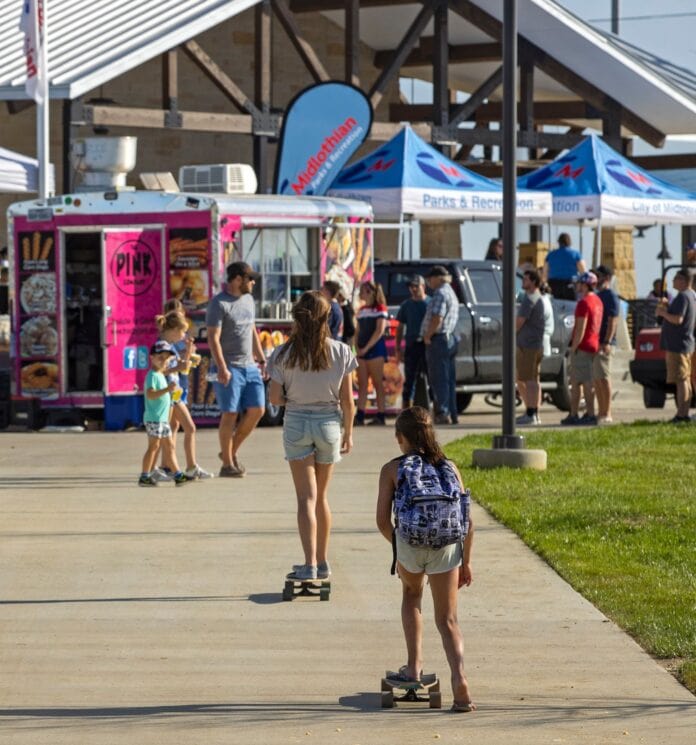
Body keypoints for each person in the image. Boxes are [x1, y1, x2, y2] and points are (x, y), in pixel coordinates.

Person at [376, 406, 475, 713]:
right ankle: (460, 680)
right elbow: (467, 521)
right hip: (447, 546)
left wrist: (401, 544)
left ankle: (414, 668)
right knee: (448, 620)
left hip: (410, 544)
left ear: (400, 438)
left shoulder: (392, 469)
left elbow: (382, 520)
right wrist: (466, 561)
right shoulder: (450, 467)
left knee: (411, 594)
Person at [267, 291, 356, 581]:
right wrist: (349, 433)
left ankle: (309, 565)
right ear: (326, 317)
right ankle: (323, 560)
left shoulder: (282, 353)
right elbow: (348, 401)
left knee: (305, 498)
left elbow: (276, 399)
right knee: (322, 498)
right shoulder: (341, 351)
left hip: (296, 422)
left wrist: (296, 394)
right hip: (330, 424)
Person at [206, 261, 267, 477]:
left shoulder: (249, 300)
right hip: (229, 367)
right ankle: (227, 465)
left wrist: (262, 359)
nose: (253, 283)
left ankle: (229, 452)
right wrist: (222, 368)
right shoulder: (219, 304)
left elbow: (251, 330)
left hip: (250, 366)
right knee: (230, 414)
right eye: (250, 278)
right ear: (237, 279)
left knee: (258, 410)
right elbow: (213, 338)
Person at [154, 309, 213, 480]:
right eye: (181, 331)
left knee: (173, 429)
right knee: (183, 428)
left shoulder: (169, 346)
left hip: (174, 392)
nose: (182, 335)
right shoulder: (161, 346)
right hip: (168, 393)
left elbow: (183, 366)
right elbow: (158, 371)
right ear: (173, 330)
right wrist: (177, 367)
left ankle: (173, 467)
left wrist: (187, 352)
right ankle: (176, 468)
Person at [138, 341, 189, 487]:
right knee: (153, 447)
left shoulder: (160, 374)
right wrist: (167, 390)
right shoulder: (153, 375)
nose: (164, 361)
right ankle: (144, 476)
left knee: (169, 446)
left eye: (167, 358)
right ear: (152, 358)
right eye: (160, 358)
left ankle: (178, 474)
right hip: (154, 419)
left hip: (162, 419)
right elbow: (150, 394)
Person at [561, 271, 603, 426]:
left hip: (583, 346)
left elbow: (580, 328)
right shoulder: (598, 301)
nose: (577, 286)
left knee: (580, 382)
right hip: (594, 345)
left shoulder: (583, 303)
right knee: (587, 381)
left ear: (585, 285)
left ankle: (578, 414)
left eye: (579, 283)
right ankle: (587, 413)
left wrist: (573, 347)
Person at [656, 268, 696, 423]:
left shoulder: (682, 297)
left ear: (684, 281)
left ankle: (682, 414)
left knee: (681, 380)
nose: (672, 281)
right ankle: (684, 412)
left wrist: (663, 313)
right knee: (685, 379)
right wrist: (668, 307)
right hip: (686, 343)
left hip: (678, 345)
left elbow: (678, 319)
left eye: (676, 278)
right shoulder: (691, 296)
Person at [421, 266, 460, 425]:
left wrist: (428, 335)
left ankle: (442, 413)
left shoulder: (440, 293)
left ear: (438, 277)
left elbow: (437, 317)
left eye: (430, 279)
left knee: (439, 379)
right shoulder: (450, 292)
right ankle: (452, 412)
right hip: (449, 338)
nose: (429, 282)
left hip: (438, 339)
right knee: (449, 379)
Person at [355, 280, 389, 426]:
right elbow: (358, 330)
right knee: (362, 383)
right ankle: (360, 414)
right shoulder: (362, 310)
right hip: (362, 350)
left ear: (370, 292)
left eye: (363, 291)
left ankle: (381, 414)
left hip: (375, 350)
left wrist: (367, 347)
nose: (361, 293)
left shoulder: (380, 308)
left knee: (377, 383)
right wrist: (356, 347)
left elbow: (379, 330)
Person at [395, 275, 429, 410]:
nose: (414, 289)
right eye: (411, 287)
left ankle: (433, 407)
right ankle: (406, 409)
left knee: (431, 377)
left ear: (423, 286)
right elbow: (400, 326)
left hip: (427, 345)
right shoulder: (406, 305)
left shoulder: (430, 303)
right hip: (412, 345)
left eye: (417, 286)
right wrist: (398, 347)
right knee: (410, 379)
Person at [515, 269, 545, 426]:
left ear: (533, 281)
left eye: (526, 279)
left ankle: (531, 412)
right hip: (533, 345)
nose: (523, 282)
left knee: (529, 380)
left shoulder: (530, 300)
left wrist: (510, 333)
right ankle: (533, 412)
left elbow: (519, 322)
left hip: (529, 346)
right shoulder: (536, 298)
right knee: (530, 379)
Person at [592, 266, 620, 424]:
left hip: (605, 343)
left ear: (607, 278)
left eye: (599, 276)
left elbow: (613, 320)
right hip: (596, 342)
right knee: (597, 379)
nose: (596, 279)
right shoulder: (598, 295)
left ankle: (607, 412)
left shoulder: (610, 296)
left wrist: (607, 341)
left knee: (604, 378)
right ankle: (601, 411)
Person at [543, 233, 586, 300]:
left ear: (559, 242)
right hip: (570, 285)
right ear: (569, 242)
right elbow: (583, 272)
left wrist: (544, 284)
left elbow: (544, 273)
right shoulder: (576, 254)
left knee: (555, 306)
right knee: (571, 307)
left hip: (554, 285)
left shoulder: (550, 255)